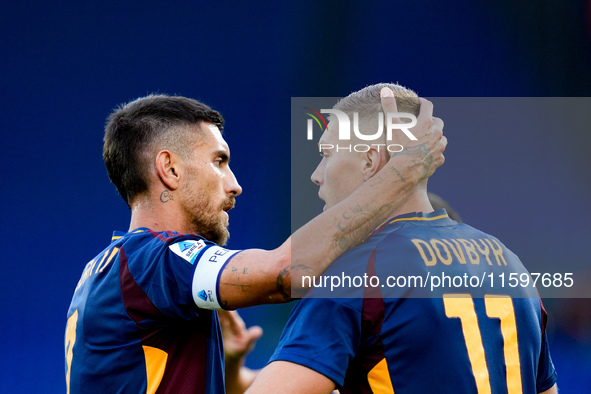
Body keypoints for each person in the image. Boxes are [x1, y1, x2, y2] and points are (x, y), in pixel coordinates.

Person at [64, 90, 446, 393]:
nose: (235, 185)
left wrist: (226, 368)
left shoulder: (110, 269)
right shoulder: (151, 259)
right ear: (170, 168)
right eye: (219, 161)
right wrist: (401, 174)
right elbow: (286, 271)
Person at [246, 83, 558, 394]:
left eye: (326, 154)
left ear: (369, 161)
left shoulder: (358, 272)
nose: (316, 173)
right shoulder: (511, 264)